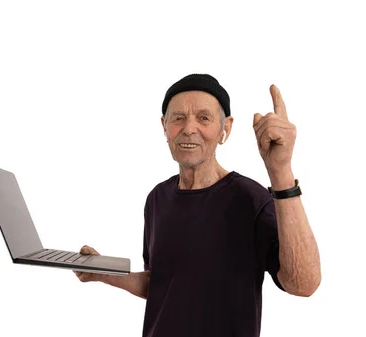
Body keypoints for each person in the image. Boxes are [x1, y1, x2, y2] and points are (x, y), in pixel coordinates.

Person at [74, 74, 321, 337]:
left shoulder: (251, 198)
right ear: (164, 125)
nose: (189, 128)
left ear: (225, 128)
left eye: (204, 118)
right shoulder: (157, 198)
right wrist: (102, 273)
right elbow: (161, 283)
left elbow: (303, 284)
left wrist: (280, 170)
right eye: (178, 118)